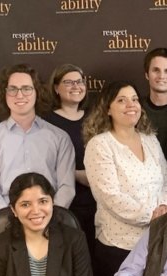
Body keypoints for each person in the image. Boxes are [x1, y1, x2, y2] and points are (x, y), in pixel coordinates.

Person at [83, 81, 167, 276]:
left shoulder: (150, 140)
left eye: (134, 99)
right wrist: (154, 214)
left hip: (158, 241)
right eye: (121, 100)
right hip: (120, 247)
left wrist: (165, 210)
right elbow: (111, 197)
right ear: (107, 108)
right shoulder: (100, 145)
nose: (131, 105)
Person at [0, 63, 75, 212]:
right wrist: (9, 220)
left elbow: (67, 187)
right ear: (4, 94)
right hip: (6, 223)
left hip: (51, 220)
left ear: (37, 92)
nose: (20, 95)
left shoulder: (59, 137)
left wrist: (50, 217)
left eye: (27, 89)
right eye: (13, 89)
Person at [44, 63, 98, 259]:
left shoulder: (96, 118)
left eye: (80, 81)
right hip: (65, 204)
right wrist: (75, 174)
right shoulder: (47, 123)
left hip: (97, 203)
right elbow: (46, 163)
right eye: (68, 82)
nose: (76, 86)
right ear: (56, 88)